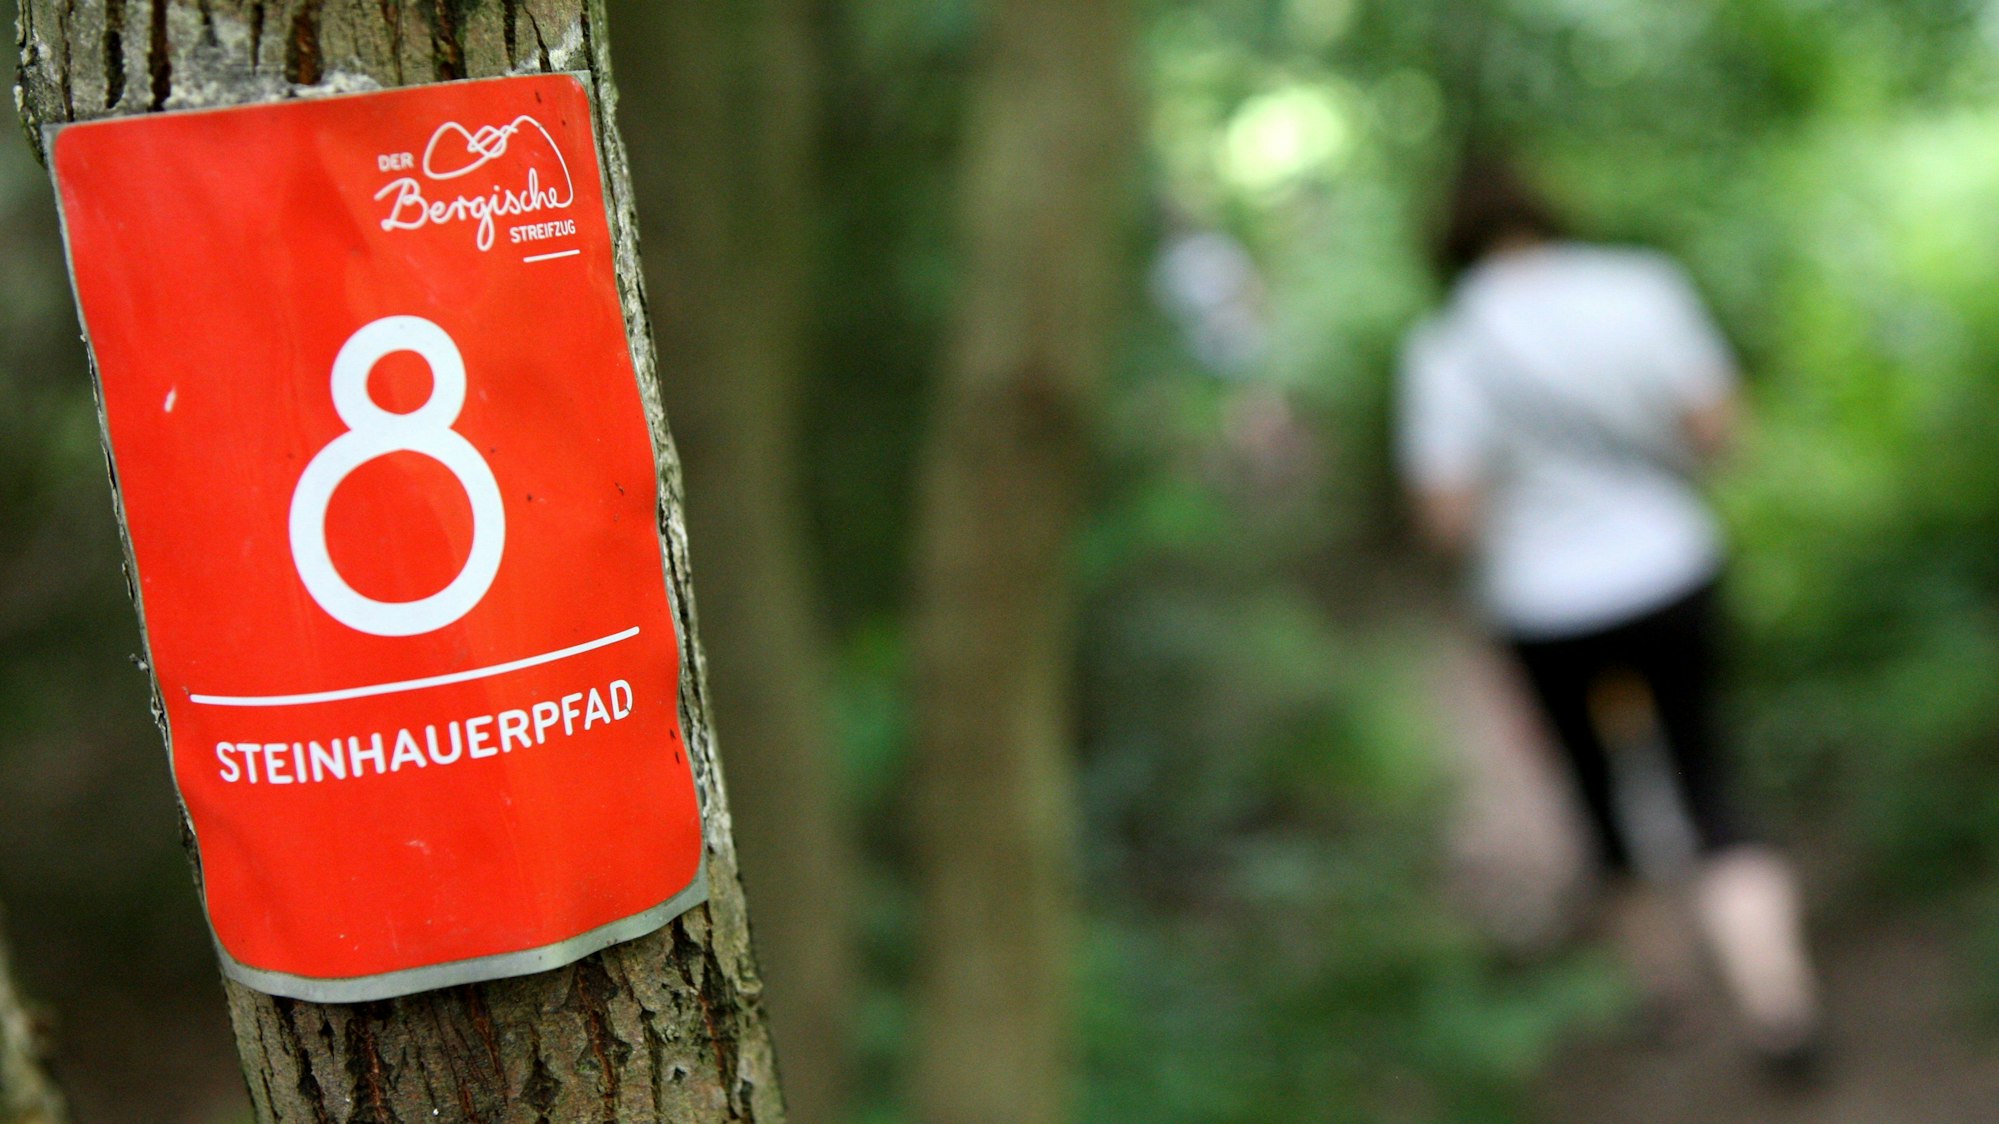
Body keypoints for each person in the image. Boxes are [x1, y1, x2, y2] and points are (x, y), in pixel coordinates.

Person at [1396, 156, 1822, 1068]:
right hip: (1670, 571)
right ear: (1549, 213)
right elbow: (1720, 433)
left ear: (1448, 245)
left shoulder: (1444, 347)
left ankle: (1662, 993)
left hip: (1544, 609)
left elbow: (1445, 519)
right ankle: (1776, 1001)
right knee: (1707, 777)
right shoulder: (1639, 287)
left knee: (1598, 797)